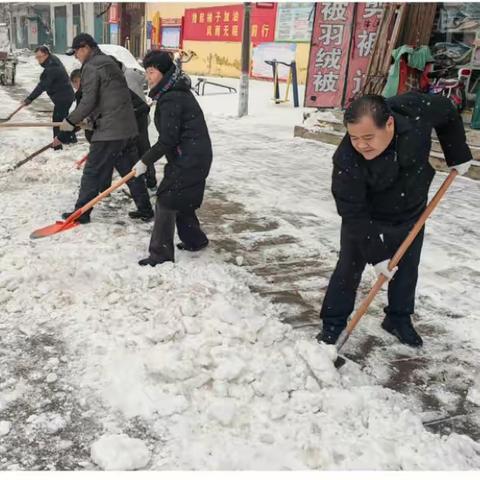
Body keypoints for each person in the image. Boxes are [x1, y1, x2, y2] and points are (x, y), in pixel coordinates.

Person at [318, 93, 472, 347]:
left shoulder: (416, 112)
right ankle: (332, 326)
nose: (361, 145)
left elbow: (447, 110)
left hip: (411, 208)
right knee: (349, 267)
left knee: (407, 266)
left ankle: (398, 319)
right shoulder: (346, 160)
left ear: (389, 123)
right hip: (368, 215)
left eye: (368, 137)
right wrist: (377, 255)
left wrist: (457, 153)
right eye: (354, 137)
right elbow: (352, 212)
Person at [59, 33, 153, 223]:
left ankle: (81, 213)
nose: (76, 57)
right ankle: (145, 209)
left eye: (76, 52)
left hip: (110, 130)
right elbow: (108, 98)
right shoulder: (109, 63)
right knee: (129, 172)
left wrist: (70, 121)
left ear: (85, 48)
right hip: (126, 127)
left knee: (92, 171)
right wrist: (88, 120)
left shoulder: (92, 67)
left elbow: (88, 100)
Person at [132, 51, 212, 266]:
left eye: (151, 72)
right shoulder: (173, 91)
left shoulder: (172, 97)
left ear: (163, 71)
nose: (148, 77)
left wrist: (144, 161)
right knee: (182, 199)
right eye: (146, 72)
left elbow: (167, 139)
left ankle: (160, 255)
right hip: (193, 155)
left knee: (166, 199)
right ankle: (195, 240)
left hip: (189, 158)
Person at [23, 45, 76, 150]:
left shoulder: (52, 67)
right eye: (37, 57)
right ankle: (70, 138)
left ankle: (57, 145)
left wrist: (30, 99)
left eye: (40, 57)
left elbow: (42, 85)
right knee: (64, 119)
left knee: (57, 120)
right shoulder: (51, 61)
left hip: (63, 97)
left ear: (46, 54)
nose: (38, 60)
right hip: (65, 95)